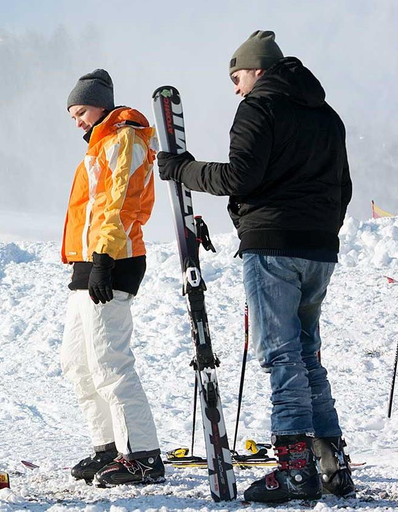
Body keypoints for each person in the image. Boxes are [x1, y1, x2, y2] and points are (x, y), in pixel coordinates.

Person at [156, 31, 354, 503]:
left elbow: (238, 176)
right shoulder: (328, 115)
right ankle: (332, 466)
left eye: (237, 76)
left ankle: (294, 472)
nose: (236, 88)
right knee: (308, 356)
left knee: (282, 357)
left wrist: (182, 168)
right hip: (320, 248)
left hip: (273, 246)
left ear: (258, 70)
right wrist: (322, 229)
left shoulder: (259, 108)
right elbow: (343, 188)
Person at [61, 69, 164, 487]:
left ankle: (142, 456)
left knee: (109, 361)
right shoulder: (100, 144)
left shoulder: (124, 136)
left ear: (101, 103)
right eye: (73, 116)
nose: (78, 122)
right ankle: (108, 446)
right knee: (77, 362)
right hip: (89, 262)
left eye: (81, 111)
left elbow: (117, 202)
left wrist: (103, 255)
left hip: (114, 259)